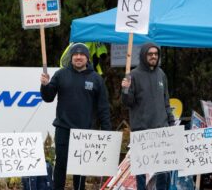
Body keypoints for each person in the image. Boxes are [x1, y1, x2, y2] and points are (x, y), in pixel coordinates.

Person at [40, 43, 111, 190]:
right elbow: (48, 98)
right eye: (75, 54)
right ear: (71, 57)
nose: (78, 57)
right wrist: (45, 85)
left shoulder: (96, 79)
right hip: (63, 129)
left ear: (87, 57)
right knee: (61, 165)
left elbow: (103, 108)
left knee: (80, 170)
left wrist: (107, 131)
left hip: (84, 133)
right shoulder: (61, 74)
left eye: (82, 54)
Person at [121, 42, 175, 190]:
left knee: (163, 172)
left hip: (161, 130)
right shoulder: (133, 75)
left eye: (155, 54)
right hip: (141, 131)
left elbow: (166, 102)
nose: (153, 56)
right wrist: (125, 90)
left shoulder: (161, 74)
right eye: (150, 54)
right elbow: (128, 102)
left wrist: (171, 124)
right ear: (144, 55)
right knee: (141, 174)